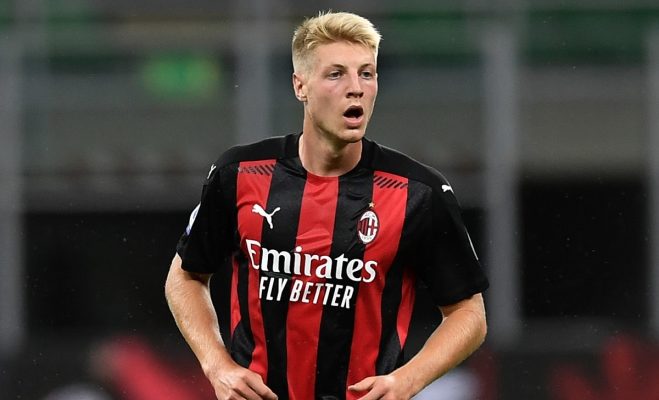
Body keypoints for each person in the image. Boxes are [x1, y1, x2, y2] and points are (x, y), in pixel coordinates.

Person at [165, 11, 489, 400]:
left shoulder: (419, 192)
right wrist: (217, 365)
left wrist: (408, 380)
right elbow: (185, 277)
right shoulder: (240, 173)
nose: (356, 89)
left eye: (366, 74)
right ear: (300, 85)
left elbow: (469, 314)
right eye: (336, 74)